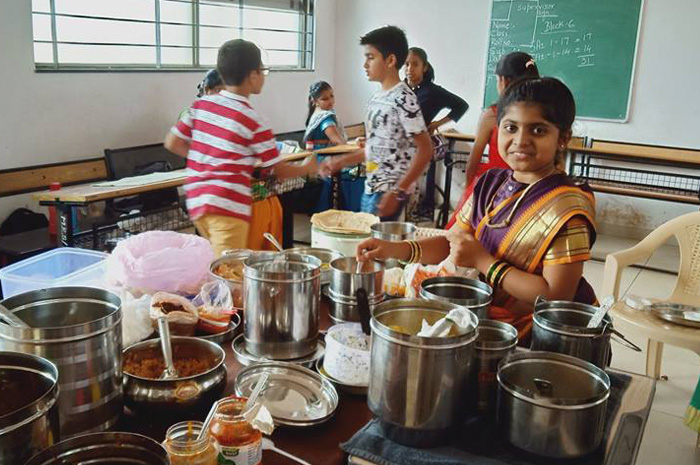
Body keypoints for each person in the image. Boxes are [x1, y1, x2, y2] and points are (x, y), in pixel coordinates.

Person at [357, 77, 596, 341]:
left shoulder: (566, 208)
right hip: (483, 322)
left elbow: (554, 296)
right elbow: (454, 246)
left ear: (563, 138)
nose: (521, 140)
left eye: (538, 130)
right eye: (510, 127)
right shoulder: (489, 184)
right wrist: (396, 248)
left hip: (540, 337)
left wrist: (484, 262)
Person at [165, 39, 317, 256]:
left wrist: (208, 160)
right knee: (229, 273)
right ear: (253, 74)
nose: (263, 76)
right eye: (263, 70)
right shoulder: (253, 120)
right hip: (227, 206)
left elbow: (172, 142)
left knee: (214, 261)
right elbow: (278, 170)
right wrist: (307, 167)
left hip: (197, 201)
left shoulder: (200, 105)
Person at [320, 25, 433, 221]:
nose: (365, 64)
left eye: (370, 57)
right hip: (372, 186)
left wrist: (398, 191)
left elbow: (425, 149)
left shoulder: (404, 98)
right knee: (370, 246)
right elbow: (376, 148)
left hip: (388, 191)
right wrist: (340, 162)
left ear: (390, 60)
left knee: (373, 248)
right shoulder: (378, 98)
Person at [447, 52, 539, 229]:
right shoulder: (543, 113)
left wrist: (467, 193)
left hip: (494, 189)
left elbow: (474, 160)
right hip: (531, 189)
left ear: (503, 81)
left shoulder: (493, 114)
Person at [404, 47, 469, 219]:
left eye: (415, 64)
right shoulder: (399, 88)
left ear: (424, 67)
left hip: (417, 148)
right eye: (406, 64)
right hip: (396, 147)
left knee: (409, 191)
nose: (410, 69)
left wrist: (438, 123)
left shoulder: (432, 91)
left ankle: (409, 225)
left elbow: (461, 105)